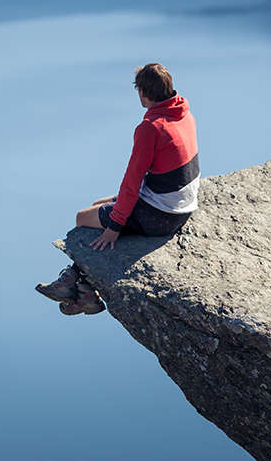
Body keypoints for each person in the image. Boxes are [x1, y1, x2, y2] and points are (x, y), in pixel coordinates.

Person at [36, 62, 199, 315]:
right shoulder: (183, 114)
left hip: (160, 215)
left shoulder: (150, 128)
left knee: (83, 218)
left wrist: (115, 226)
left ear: (143, 93)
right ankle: (82, 292)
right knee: (99, 203)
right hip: (180, 206)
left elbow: (132, 182)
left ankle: (78, 288)